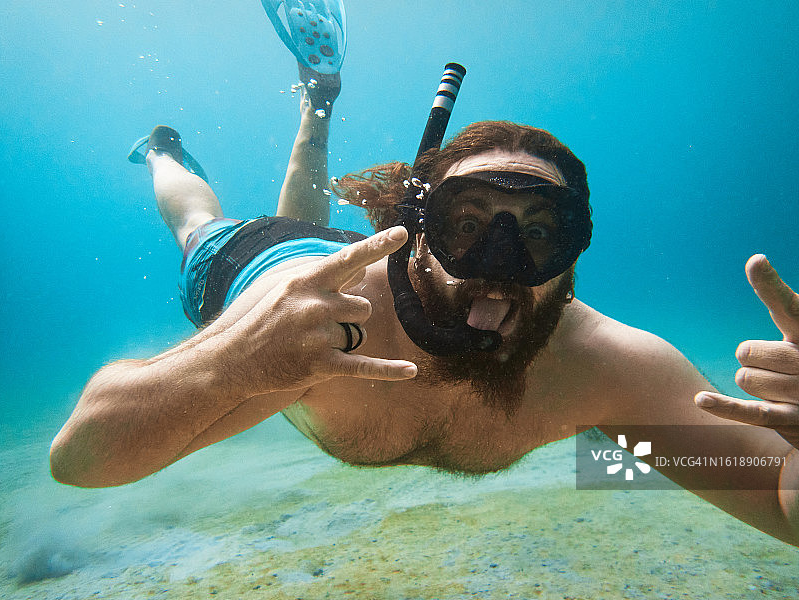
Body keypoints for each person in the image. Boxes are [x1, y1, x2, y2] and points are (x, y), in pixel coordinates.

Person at [51, 7, 798, 547]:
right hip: (261, 265)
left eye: (539, 233)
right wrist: (237, 360)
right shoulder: (309, 328)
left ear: (575, 253)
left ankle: (317, 101)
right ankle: (163, 151)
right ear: (419, 235)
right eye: (466, 225)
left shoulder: (606, 368)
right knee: (196, 224)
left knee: (303, 216)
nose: (499, 267)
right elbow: (80, 458)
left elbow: (779, 502)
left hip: (343, 257)